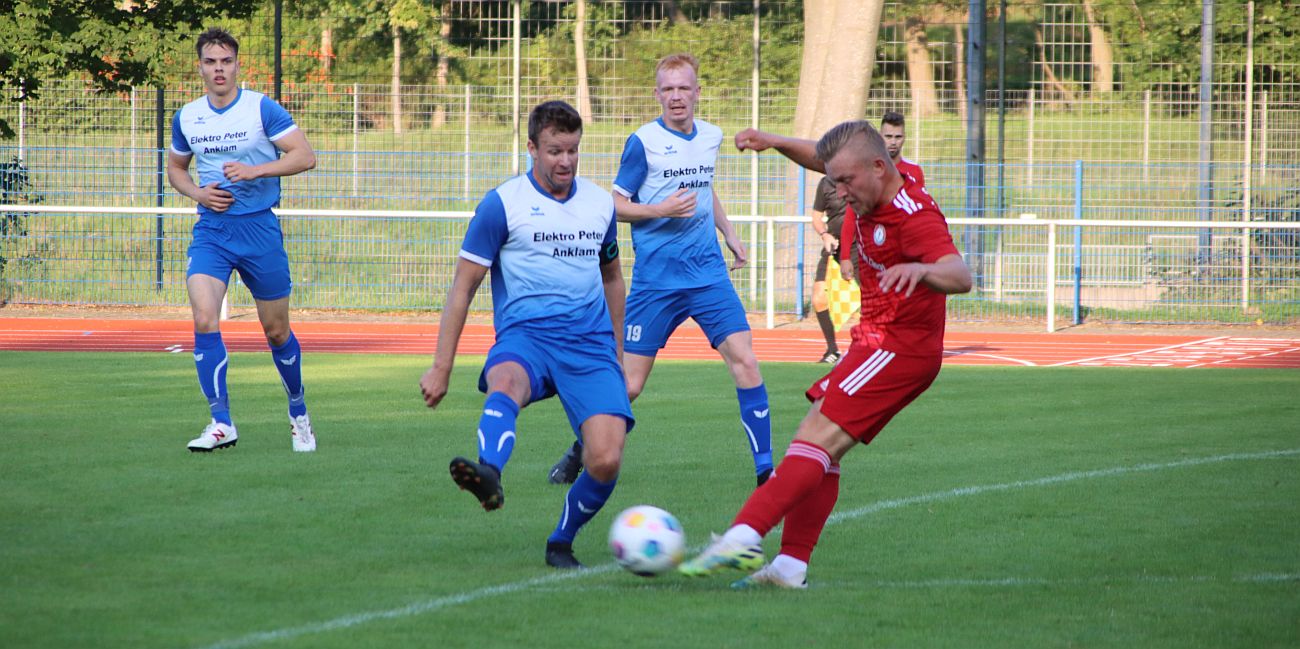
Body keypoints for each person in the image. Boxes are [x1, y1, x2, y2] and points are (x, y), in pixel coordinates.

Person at [680, 120, 971, 588]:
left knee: (816, 436)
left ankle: (743, 537)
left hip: (897, 348)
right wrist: (774, 142)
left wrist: (920, 268)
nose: (838, 192)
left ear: (880, 168)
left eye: (845, 182)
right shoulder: (868, 176)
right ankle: (791, 567)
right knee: (821, 448)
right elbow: (824, 156)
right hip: (875, 343)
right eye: (833, 181)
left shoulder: (912, 213)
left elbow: (960, 275)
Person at [419, 100, 632, 570]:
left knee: (606, 459)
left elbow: (613, 277)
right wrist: (442, 365)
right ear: (532, 147)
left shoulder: (599, 204)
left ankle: (561, 541)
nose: (566, 161)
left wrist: (617, 350)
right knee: (506, 382)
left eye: (574, 151)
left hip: (589, 344)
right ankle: (489, 474)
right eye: (556, 150)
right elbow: (463, 286)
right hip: (526, 336)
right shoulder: (502, 204)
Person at [545, 53, 774, 489]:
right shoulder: (643, 142)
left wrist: (728, 231)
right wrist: (660, 209)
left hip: (707, 275)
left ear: (697, 92)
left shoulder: (711, 136)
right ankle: (581, 449)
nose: (676, 97)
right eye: (667, 90)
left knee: (746, 362)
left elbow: (705, 189)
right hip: (656, 283)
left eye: (683, 88)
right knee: (627, 387)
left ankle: (766, 471)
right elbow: (614, 203)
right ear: (657, 95)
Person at [167, 28, 318, 453]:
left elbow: (305, 156)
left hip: (259, 229)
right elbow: (176, 168)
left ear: (237, 66)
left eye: (226, 61)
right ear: (199, 66)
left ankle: (298, 412)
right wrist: (198, 193)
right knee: (203, 318)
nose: (219, 69)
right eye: (211, 62)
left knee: (276, 330)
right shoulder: (188, 116)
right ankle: (220, 422)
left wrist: (254, 171)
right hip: (212, 231)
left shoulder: (260, 109)